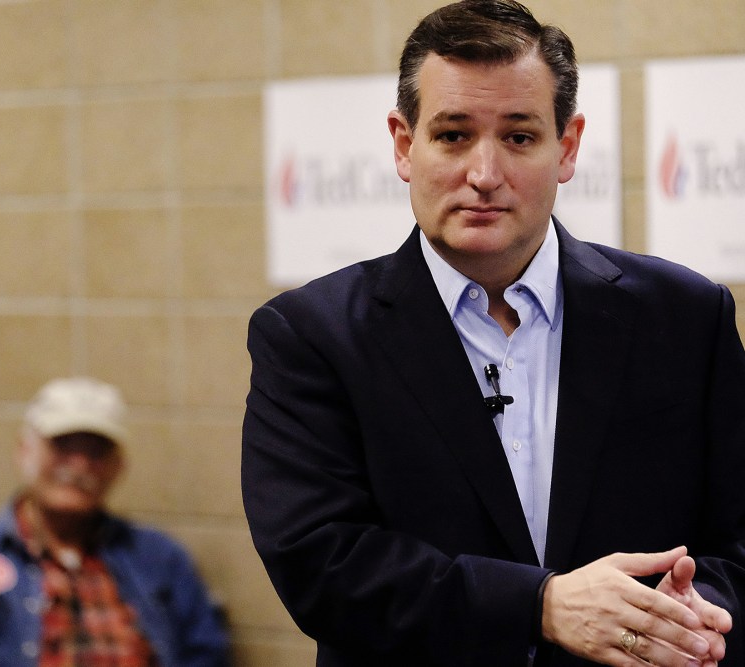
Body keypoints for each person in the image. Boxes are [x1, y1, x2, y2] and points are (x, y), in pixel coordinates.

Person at [241, 1, 745, 666]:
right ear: (402, 144)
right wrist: (541, 606)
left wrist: (693, 613)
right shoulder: (311, 335)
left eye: (518, 137)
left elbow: (737, 542)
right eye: (452, 135)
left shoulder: (685, 315)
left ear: (566, 148)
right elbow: (323, 563)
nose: (484, 174)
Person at [0, 376, 230, 667]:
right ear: (24, 452)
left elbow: (206, 655)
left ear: (118, 467)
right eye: (62, 447)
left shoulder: (161, 559)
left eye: (96, 452)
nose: (79, 466)